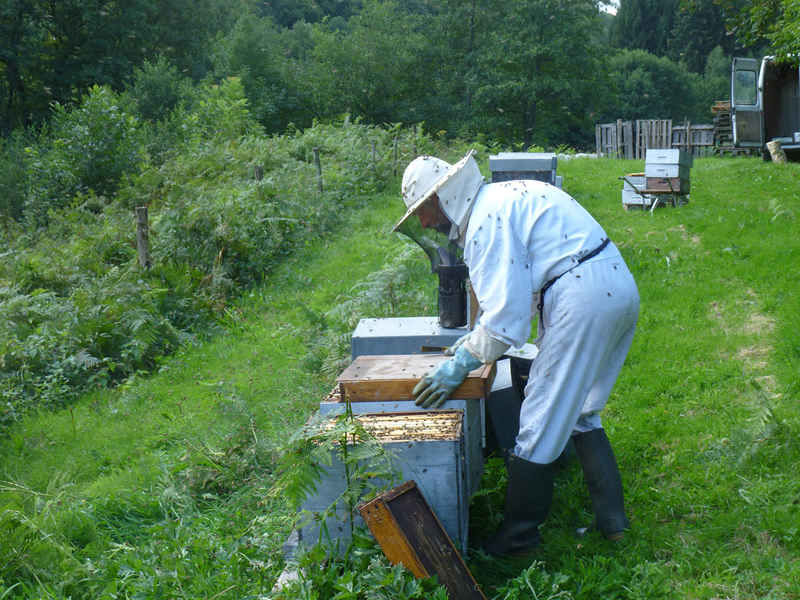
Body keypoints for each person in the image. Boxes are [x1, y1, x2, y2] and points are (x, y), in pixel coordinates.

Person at [393, 150, 640, 556]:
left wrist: (460, 363)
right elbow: (520, 292)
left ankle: (518, 540)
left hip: (582, 298)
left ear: (444, 196)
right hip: (614, 285)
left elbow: (506, 323)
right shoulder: (505, 196)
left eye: (422, 209)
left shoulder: (485, 221)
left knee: (538, 420)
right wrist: (476, 341)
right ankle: (613, 525)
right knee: (582, 411)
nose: (423, 222)